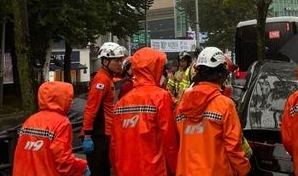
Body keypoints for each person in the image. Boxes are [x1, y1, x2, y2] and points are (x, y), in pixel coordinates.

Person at [175, 46, 250, 175]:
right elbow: (233, 147)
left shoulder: (182, 104)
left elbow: (177, 141)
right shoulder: (224, 105)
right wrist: (245, 169)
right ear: (220, 74)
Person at [111, 47, 178, 176]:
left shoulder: (121, 103)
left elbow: (114, 145)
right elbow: (169, 140)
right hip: (153, 169)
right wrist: (175, 168)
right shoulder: (160, 97)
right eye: (161, 68)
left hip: (125, 169)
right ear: (154, 69)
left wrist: (117, 168)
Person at [13, 81, 90, 176]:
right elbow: (63, 160)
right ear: (62, 99)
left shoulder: (31, 120)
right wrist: (82, 167)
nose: (72, 101)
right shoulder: (61, 122)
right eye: (69, 98)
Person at [82, 41, 127, 176]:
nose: (120, 63)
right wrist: (87, 135)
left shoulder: (107, 78)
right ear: (106, 61)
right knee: (99, 170)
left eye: (121, 60)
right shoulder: (101, 80)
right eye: (116, 60)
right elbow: (91, 108)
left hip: (104, 133)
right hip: (99, 134)